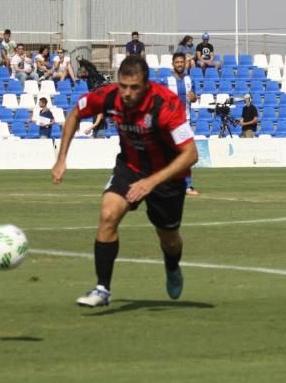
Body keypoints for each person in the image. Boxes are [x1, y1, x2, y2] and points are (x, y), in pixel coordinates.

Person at [51, 55, 198, 308]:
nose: (127, 93)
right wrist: (61, 159)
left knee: (169, 239)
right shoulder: (108, 96)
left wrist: (151, 182)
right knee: (108, 214)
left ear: (147, 85)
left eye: (134, 87)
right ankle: (102, 288)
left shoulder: (166, 104)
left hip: (167, 175)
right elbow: (75, 114)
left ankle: (172, 267)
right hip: (130, 167)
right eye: (123, 86)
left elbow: (191, 154)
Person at [168, 51, 200, 195]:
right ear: (173, 64)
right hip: (169, 122)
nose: (180, 64)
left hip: (185, 121)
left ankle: (187, 186)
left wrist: (194, 97)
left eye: (182, 62)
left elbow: (194, 98)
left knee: (186, 154)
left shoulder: (189, 80)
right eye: (177, 62)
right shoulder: (166, 81)